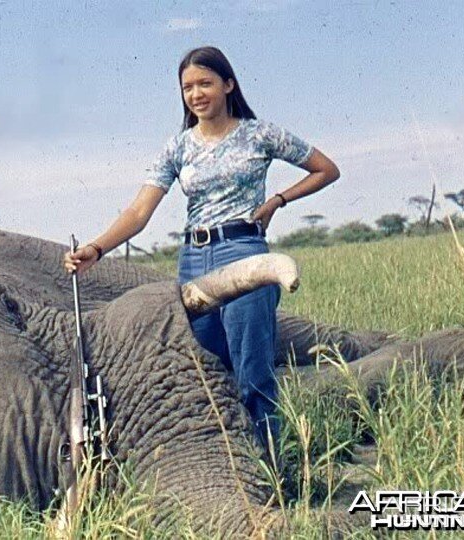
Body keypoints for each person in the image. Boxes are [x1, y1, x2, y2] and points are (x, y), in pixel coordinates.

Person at [63, 46, 339, 457]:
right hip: (194, 259)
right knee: (206, 372)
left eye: (205, 83)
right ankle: (223, 462)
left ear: (228, 84)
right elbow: (140, 210)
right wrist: (97, 248)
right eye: (187, 87)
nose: (196, 94)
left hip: (245, 253)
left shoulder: (260, 133)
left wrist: (278, 199)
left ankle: (271, 472)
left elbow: (326, 169)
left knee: (253, 372)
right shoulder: (178, 147)